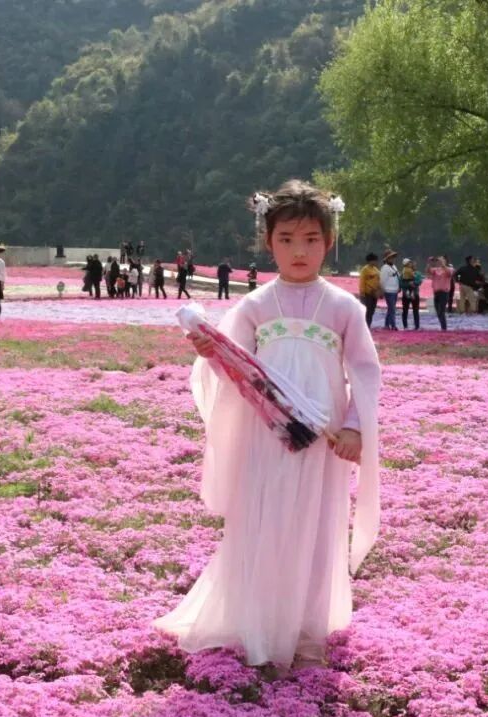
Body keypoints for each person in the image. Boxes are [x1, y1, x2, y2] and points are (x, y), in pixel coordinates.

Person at [153, 179, 381, 673]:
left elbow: (365, 372)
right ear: (268, 241)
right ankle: (260, 623)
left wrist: (354, 428)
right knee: (265, 520)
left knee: (316, 526)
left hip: (322, 441)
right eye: (286, 239)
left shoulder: (344, 307)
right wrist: (212, 353)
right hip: (267, 436)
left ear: (329, 241)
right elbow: (237, 371)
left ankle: (307, 631)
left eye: (311, 240)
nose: (299, 251)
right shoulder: (255, 306)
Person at [426, 256, 453, 331]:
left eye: (441, 260)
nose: (439, 261)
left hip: (444, 292)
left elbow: (449, 273)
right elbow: (428, 271)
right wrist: (429, 263)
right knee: (438, 310)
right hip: (436, 292)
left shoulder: (449, 268)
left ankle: (444, 327)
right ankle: (442, 326)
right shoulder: (435, 270)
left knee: (441, 310)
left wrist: (443, 264)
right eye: (439, 260)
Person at [357, 253, 381, 328]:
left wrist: (379, 290)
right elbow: (362, 281)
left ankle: (368, 325)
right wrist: (362, 293)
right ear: (370, 261)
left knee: (372, 311)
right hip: (367, 294)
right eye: (375, 260)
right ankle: (364, 326)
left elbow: (379, 280)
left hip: (374, 293)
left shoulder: (376, 270)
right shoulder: (365, 269)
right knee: (367, 310)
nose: (376, 262)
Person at [379, 249, 400, 330]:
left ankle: (387, 325)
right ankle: (393, 325)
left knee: (390, 309)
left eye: (393, 257)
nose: (393, 259)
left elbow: (398, 277)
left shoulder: (394, 267)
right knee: (392, 309)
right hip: (388, 291)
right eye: (391, 257)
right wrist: (382, 291)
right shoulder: (384, 268)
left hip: (395, 290)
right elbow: (382, 280)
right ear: (386, 259)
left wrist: (399, 287)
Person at [399, 258, 422, 330]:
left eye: (413, 264)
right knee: (405, 310)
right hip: (406, 295)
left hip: (415, 294)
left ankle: (417, 326)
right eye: (411, 263)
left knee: (416, 310)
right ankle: (405, 326)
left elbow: (419, 281)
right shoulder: (403, 273)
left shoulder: (417, 273)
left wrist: (414, 283)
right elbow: (401, 283)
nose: (412, 265)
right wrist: (408, 284)